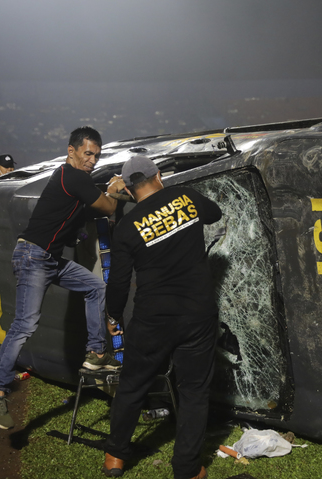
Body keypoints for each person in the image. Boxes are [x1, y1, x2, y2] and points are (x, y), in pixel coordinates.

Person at [0, 126, 125, 430]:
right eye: (88, 153)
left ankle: (97, 353)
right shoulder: (72, 177)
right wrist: (112, 191)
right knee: (25, 324)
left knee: (95, 288)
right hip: (33, 257)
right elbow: (108, 206)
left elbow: (81, 216)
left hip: (48, 258)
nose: (92, 160)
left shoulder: (73, 182)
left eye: (96, 155)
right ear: (71, 150)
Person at [102, 155, 222, 479]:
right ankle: (186, 468)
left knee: (132, 385)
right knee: (194, 392)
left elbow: (119, 281)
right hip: (197, 314)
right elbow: (215, 213)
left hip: (152, 318)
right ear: (159, 175)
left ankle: (115, 456)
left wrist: (114, 315)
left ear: (127, 188)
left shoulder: (127, 227)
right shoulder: (184, 198)